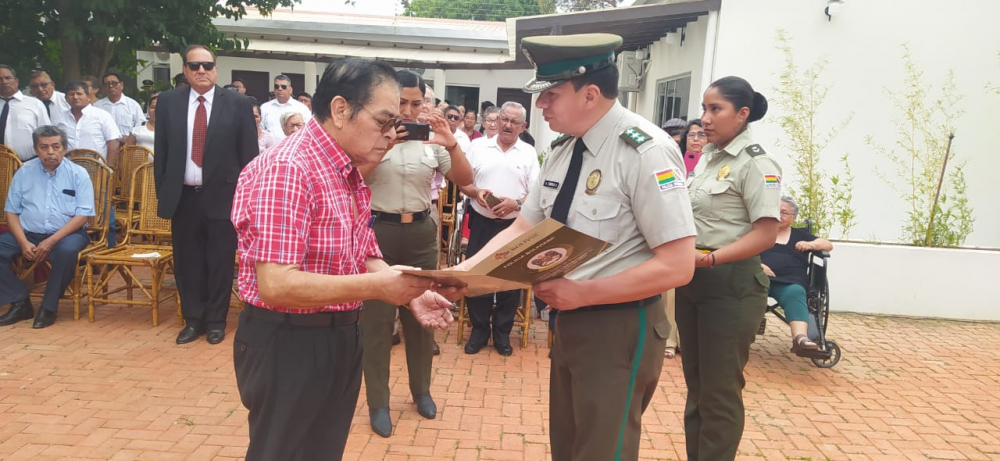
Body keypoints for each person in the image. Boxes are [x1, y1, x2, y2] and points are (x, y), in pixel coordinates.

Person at [453, 33, 696, 461]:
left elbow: (678, 266)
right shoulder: (563, 150)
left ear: (590, 93)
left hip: (619, 324)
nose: (540, 105)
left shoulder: (646, 152)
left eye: (550, 94)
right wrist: (459, 278)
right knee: (568, 447)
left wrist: (584, 293)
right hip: (568, 321)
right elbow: (522, 230)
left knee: (604, 451)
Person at [231, 57, 457, 461]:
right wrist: (379, 287)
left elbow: (362, 252)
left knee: (322, 450)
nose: (391, 135)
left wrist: (407, 294)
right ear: (340, 110)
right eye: (384, 121)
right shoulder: (289, 169)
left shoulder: (342, 169)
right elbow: (277, 283)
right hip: (290, 342)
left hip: (337, 335)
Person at [359, 69, 473, 439]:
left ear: (425, 102)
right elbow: (352, 178)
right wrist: (385, 146)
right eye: (401, 102)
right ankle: (378, 401)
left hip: (422, 232)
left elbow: (465, 180)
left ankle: (421, 391)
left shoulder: (433, 141)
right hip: (378, 232)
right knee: (376, 323)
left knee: (424, 318)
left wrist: (451, 143)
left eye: (415, 102)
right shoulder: (372, 135)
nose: (408, 110)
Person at [675, 76, 783, 461]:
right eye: (704, 109)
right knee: (697, 385)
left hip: (731, 285)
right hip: (694, 279)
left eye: (715, 109)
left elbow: (766, 234)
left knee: (719, 392)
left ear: (742, 114)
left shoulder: (756, 163)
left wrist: (710, 258)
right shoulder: (708, 159)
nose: (704, 118)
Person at [154, 45, 260, 345]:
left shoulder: (237, 104)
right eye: (195, 65)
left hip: (223, 197)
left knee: (219, 262)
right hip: (183, 197)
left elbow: (249, 157)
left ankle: (215, 321)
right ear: (185, 71)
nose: (202, 70)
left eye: (208, 65)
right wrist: (165, 193)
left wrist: (246, 200)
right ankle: (193, 320)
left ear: (216, 68)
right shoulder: (169, 102)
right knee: (187, 263)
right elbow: (161, 152)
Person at [458, 101, 538, 356]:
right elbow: (464, 183)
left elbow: (536, 193)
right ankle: (479, 330)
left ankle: (502, 333)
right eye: (504, 119)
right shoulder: (478, 146)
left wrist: (515, 203)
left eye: (514, 122)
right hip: (481, 222)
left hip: (515, 225)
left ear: (523, 127)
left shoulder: (528, 153)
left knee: (509, 279)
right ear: (495, 119)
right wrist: (477, 192)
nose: (507, 125)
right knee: (477, 275)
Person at [0, 125, 94, 329]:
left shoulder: (78, 174)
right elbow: (11, 212)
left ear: (65, 148)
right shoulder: (24, 172)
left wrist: (51, 241)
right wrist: (23, 242)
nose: (50, 152)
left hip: (68, 233)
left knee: (67, 251)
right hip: (29, 233)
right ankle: (19, 301)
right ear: (36, 149)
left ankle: (48, 308)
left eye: (55, 146)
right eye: (44, 147)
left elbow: (82, 215)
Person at [760, 196, 833, 351]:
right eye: (775, 211)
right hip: (761, 277)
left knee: (796, 292)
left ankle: (800, 338)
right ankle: (748, 328)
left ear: (793, 218)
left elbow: (828, 244)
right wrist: (757, 265)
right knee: (753, 288)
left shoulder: (800, 236)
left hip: (790, 282)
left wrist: (811, 244)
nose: (779, 215)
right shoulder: (760, 232)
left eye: (784, 212)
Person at [57, 81, 121, 166]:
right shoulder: (59, 118)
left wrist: (109, 167)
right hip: (67, 167)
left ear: (88, 97)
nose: (75, 97)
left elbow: (113, 141)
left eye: (79, 94)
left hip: (96, 168)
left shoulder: (102, 115)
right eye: (71, 94)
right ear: (66, 98)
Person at [0, 64, 51, 161]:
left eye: (8, 78)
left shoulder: (35, 104)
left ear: (16, 81)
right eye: (0, 79)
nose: (4, 82)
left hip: (29, 163)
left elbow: (46, 134)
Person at [259, 74, 311, 142]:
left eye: (283, 87)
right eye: (276, 86)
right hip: (271, 149)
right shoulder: (265, 108)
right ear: (274, 90)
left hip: (294, 147)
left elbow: (308, 130)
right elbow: (260, 130)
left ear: (291, 90)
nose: (280, 89)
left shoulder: (301, 108)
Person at [94, 72, 143, 143]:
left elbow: (141, 125)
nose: (111, 86)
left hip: (127, 147)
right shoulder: (97, 106)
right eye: (107, 84)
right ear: (104, 87)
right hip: (105, 147)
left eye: (114, 83)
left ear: (122, 85)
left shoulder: (133, 105)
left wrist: (130, 138)